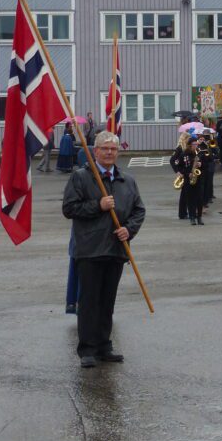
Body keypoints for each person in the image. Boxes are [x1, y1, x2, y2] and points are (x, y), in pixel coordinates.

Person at [62, 131, 145, 368]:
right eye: (105, 148)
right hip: (90, 249)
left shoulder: (126, 180)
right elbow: (69, 208)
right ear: (95, 151)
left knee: (107, 300)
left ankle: (103, 345)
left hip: (116, 249)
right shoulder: (81, 177)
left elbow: (139, 210)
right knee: (89, 301)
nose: (109, 153)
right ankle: (87, 349)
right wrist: (97, 205)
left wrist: (129, 230)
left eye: (113, 149)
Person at [174, 136, 205, 225]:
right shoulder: (184, 155)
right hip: (188, 180)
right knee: (190, 199)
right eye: (194, 144)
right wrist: (187, 174)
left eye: (196, 144)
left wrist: (200, 164)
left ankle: (199, 217)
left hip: (198, 179)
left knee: (199, 199)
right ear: (190, 145)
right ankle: (192, 217)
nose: (196, 146)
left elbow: (207, 163)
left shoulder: (199, 153)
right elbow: (178, 166)